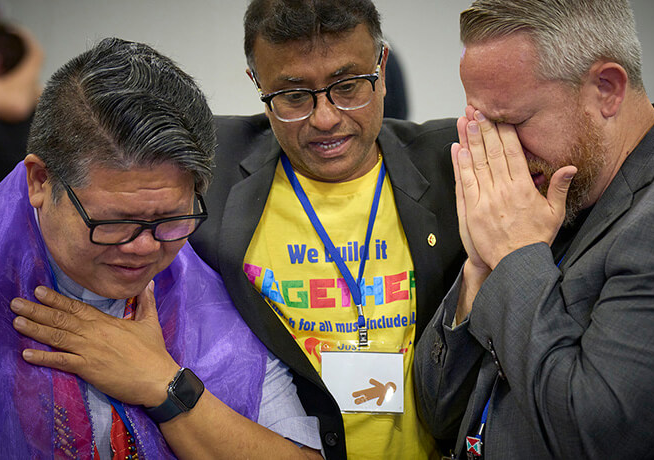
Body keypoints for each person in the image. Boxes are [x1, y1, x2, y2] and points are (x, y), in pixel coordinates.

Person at [0, 37, 322, 459]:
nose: (144, 248)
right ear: (41, 181)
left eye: (169, 219)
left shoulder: (208, 289)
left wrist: (164, 385)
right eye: (116, 222)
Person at [188, 1, 466, 458]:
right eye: (294, 96)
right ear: (257, 85)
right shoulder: (210, 173)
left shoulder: (451, 164)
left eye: (348, 86)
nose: (325, 118)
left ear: (381, 65)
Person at [414, 0, 654, 459]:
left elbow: (594, 436)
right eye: (483, 122)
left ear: (607, 89)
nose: (500, 150)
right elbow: (438, 409)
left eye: (514, 122)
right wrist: (480, 269)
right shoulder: (558, 187)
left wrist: (514, 256)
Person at [0, 21, 43, 184]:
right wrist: (35, 56)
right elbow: (17, 105)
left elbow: (46, 98)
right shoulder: (14, 97)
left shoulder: (22, 89)